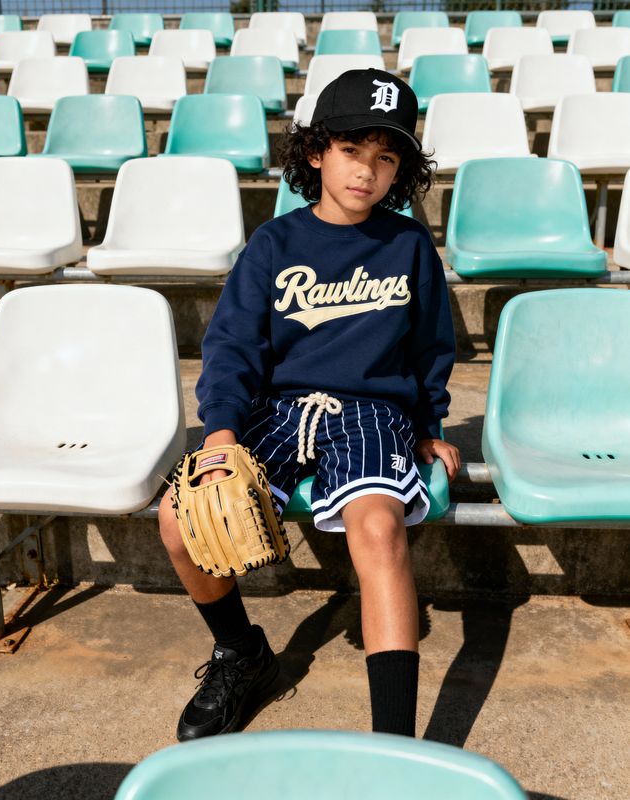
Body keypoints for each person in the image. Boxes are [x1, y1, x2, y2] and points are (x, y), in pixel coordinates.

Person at [158, 68, 460, 742]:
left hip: (371, 412)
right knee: (180, 517)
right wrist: (221, 434)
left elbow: (433, 348)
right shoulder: (275, 244)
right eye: (353, 150)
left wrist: (427, 426)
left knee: (378, 527)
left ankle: (392, 745)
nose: (368, 172)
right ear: (317, 151)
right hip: (279, 408)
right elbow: (233, 346)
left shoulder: (408, 245)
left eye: (387, 158)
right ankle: (240, 653)